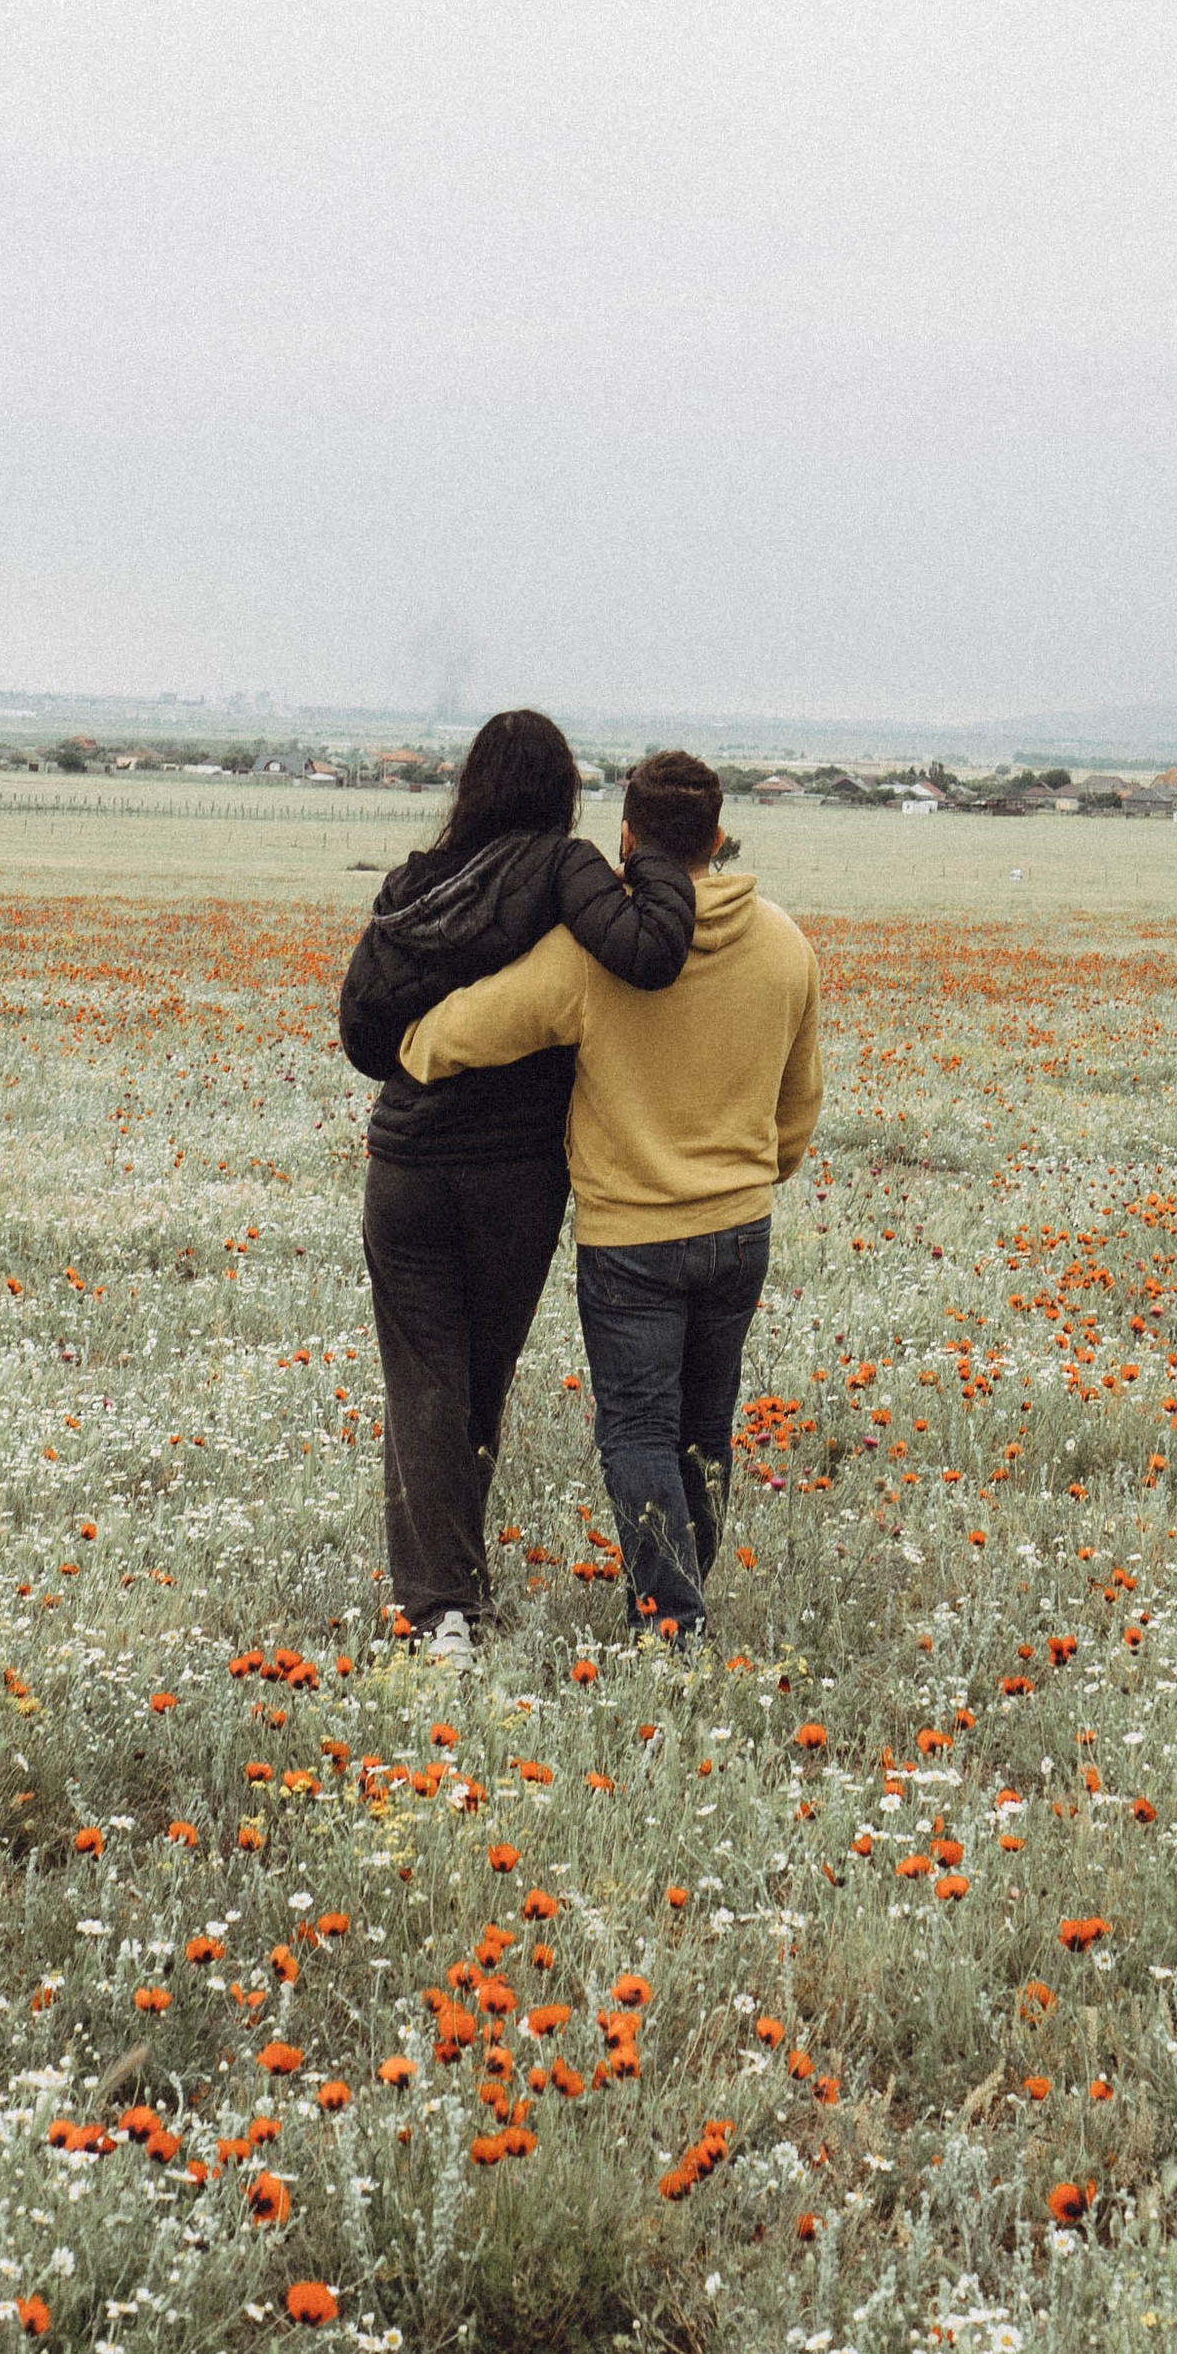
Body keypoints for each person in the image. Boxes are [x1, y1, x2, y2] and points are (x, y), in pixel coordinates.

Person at [398, 747, 820, 1649]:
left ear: (626, 839)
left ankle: (674, 1626)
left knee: (637, 1431)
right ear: (719, 836)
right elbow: (800, 1103)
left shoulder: (592, 957)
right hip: (740, 1227)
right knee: (705, 1430)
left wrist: (410, 1044)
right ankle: (679, 1602)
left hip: (631, 1238)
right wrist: (754, 1176)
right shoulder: (785, 944)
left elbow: (472, 1028)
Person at [340, 710, 694, 1665]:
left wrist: (433, 1029)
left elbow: (362, 1034)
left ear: (474, 784)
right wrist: (659, 855)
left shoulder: (415, 885)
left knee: (423, 1383)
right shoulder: (561, 867)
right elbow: (651, 952)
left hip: (407, 1169)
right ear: (562, 791)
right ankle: (448, 1601)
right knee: (477, 1385)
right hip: (513, 1178)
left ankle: (441, 1611)